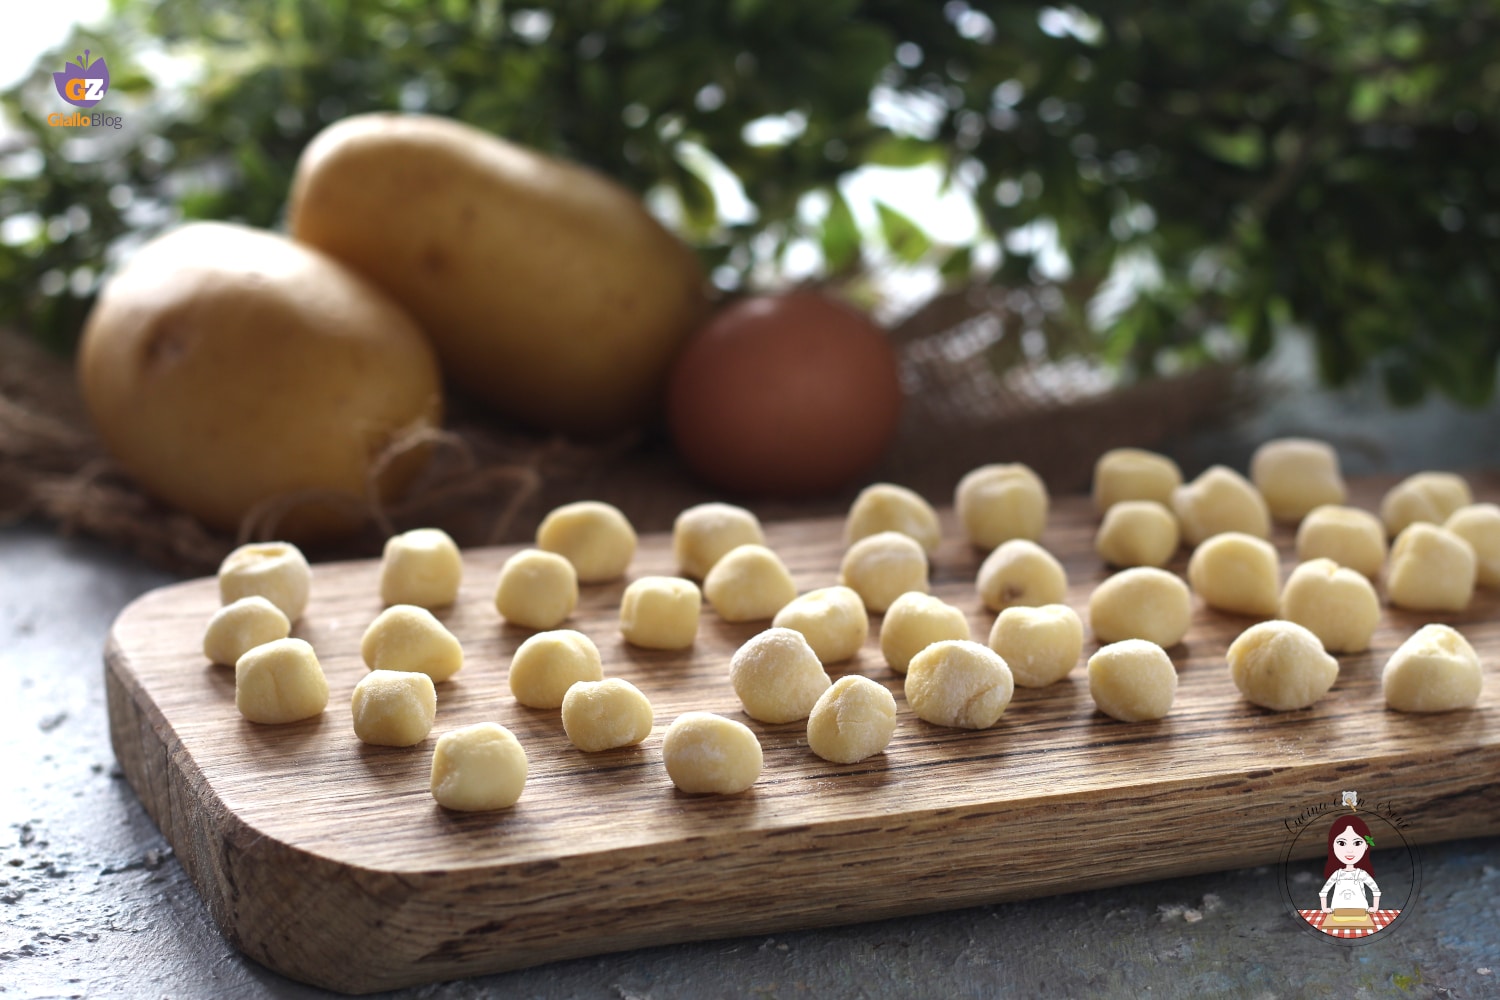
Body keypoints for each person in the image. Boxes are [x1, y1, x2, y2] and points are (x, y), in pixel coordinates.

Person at [1318, 815, 1381, 917]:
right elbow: (1324, 891)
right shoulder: (1337, 874)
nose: (1350, 850)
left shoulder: (1361, 874)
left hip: (1360, 912)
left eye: (1357, 843)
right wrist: (1325, 908)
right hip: (1338, 912)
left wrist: (1375, 907)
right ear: (1333, 846)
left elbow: (1376, 890)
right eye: (1342, 843)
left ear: (1366, 846)